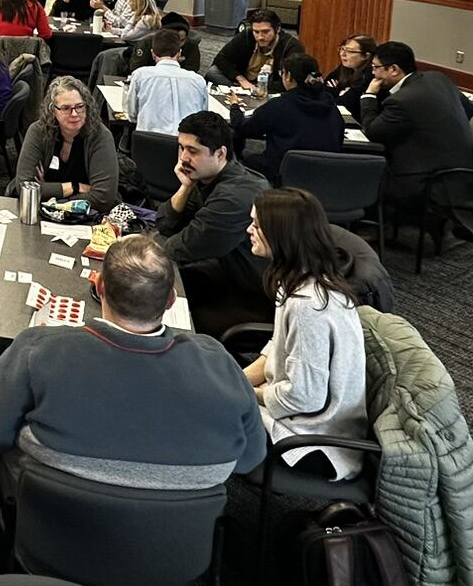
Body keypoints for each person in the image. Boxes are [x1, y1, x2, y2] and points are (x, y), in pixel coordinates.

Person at [0, 233, 265, 494]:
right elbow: (251, 458)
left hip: (52, 533)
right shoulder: (221, 365)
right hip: (175, 550)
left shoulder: (39, 348)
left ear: (99, 286)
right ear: (172, 300)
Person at [242, 189, 369, 481]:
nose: (249, 230)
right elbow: (278, 348)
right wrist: (238, 380)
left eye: (257, 226)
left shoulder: (307, 305)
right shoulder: (300, 281)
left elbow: (305, 398)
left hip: (315, 443)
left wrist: (248, 394)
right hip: (299, 419)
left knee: (206, 413)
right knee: (216, 385)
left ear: (281, 235)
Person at [157, 111, 269, 335]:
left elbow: (181, 247)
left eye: (193, 151)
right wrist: (186, 187)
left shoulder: (235, 196)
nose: (183, 158)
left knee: (166, 319)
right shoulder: (208, 177)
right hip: (226, 273)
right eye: (181, 147)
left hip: (254, 294)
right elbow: (165, 224)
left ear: (220, 154)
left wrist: (131, 251)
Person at [359, 41, 473, 201]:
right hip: (465, 172)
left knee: (364, 170)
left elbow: (373, 132)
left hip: (432, 180)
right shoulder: (438, 78)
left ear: (393, 69)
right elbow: (470, 110)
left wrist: (369, 96)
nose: (373, 74)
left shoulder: (402, 100)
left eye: (375, 68)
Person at [228, 53, 343, 184]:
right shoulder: (331, 105)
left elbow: (244, 128)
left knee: (246, 160)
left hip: (283, 173)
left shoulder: (280, 105)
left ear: (287, 76)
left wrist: (235, 106)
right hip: (325, 175)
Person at [13, 76, 119, 212]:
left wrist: (49, 192)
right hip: (42, 212)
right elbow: (24, 187)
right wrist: (75, 187)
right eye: (65, 108)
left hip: (87, 216)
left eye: (80, 107)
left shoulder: (100, 136)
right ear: (52, 110)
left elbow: (103, 198)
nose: (74, 114)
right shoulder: (39, 131)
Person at [126, 29, 210, 135]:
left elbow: (132, 115)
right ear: (179, 53)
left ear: (153, 53)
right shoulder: (198, 80)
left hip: (148, 143)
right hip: (186, 145)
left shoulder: (140, 75)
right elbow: (203, 114)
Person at [210, 9, 305, 93]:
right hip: (243, 82)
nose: (260, 37)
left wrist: (259, 88)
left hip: (270, 87)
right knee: (213, 72)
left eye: (265, 32)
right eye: (256, 32)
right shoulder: (247, 35)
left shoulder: (291, 46)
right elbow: (221, 58)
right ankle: (243, 92)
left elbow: (293, 78)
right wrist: (242, 80)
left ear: (277, 29)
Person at [126, 13, 201, 75]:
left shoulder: (191, 45)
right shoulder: (147, 43)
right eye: (173, 40)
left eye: (182, 40)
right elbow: (136, 69)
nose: (177, 44)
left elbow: (192, 70)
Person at [327, 35, 376, 114]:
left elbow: (346, 104)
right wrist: (338, 92)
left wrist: (336, 92)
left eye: (349, 51)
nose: (342, 54)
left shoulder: (371, 74)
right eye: (342, 49)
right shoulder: (343, 69)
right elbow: (321, 94)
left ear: (366, 56)